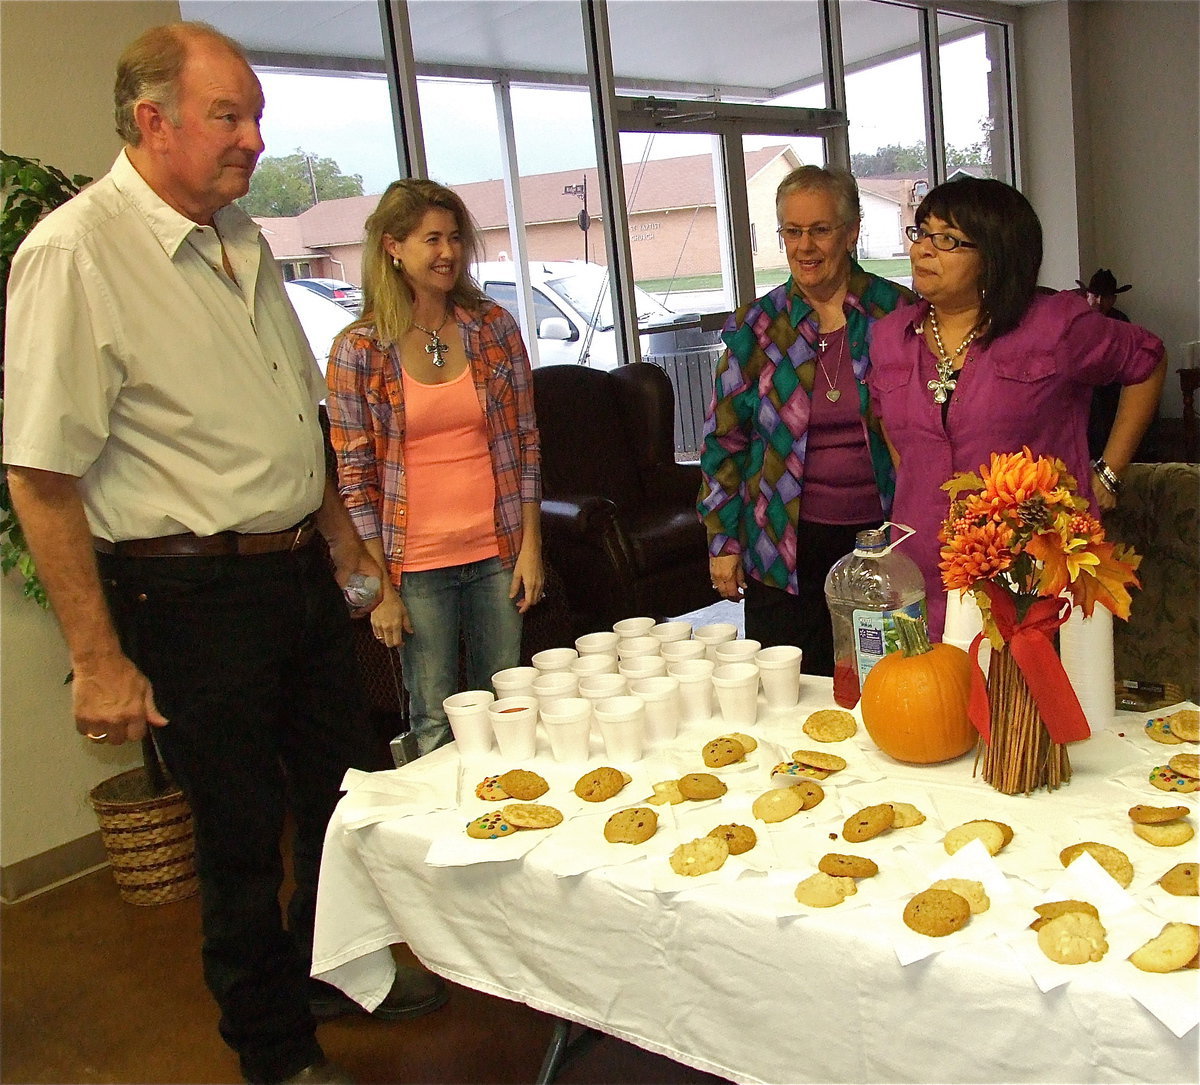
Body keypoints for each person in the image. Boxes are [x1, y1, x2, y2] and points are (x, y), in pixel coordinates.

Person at [3, 23, 445, 1085]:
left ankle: (324, 965)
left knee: (342, 793)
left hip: (294, 572)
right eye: (229, 116)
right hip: (188, 590)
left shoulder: (239, 234)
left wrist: (344, 544)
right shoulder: (77, 253)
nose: (253, 137)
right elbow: (39, 473)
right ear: (152, 121)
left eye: (255, 116)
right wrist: (99, 655)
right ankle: (271, 1044)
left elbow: (294, 419)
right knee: (242, 832)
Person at [867, 177, 1166, 638]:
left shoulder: (1056, 326)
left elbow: (1147, 361)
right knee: (931, 701)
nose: (923, 250)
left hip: (1033, 573)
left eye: (946, 240)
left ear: (995, 255)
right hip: (922, 571)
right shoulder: (889, 336)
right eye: (921, 233)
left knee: (1031, 708)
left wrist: (1107, 473)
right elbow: (894, 433)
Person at [324, 179, 543, 758]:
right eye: (431, 240)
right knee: (434, 717)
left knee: (507, 706)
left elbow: (525, 444)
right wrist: (380, 590)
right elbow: (355, 479)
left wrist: (531, 546)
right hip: (413, 566)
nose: (448, 253)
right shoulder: (359, 349)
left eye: (455, 239)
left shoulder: (493, 326)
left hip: (497, 552)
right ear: (393, 247)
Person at [697, 165, 915, 676]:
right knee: (789, 693)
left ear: (851, 230)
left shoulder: (898, 314)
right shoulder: (758, 326)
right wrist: (723, 544)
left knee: (886, 683)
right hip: (782, 544)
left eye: (819, 229)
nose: (804, 246)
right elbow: (722, 443)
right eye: (791, 232)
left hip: (883, 540)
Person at [1076, 268, 1135, 459]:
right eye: (1096, 295)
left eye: (1106, 297)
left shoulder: (1121, 322)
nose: (1100, 302)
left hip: (1111, 382)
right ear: (1088, 295)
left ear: (1113, 299)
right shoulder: (1075, 319)